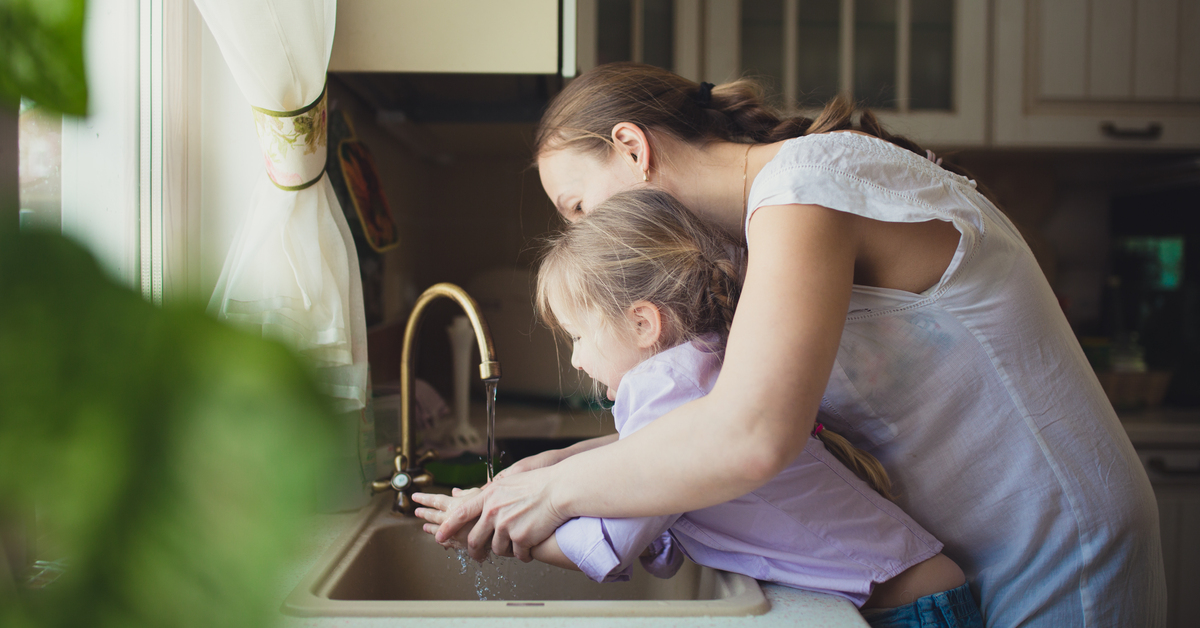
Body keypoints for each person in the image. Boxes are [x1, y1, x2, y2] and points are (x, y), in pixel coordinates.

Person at [419, 63, 1165, 627]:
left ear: (632, 148)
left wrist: (548, 493)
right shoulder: (756, 235)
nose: (587, 236)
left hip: (1059, 544)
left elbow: (748, 438)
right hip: (969, 551)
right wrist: (547, 466)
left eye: (579, 206)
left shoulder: (805, 189)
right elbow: (703, 418)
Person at [416, 189, 982, 627]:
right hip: (919, 591)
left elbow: (616, 540)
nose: (578, 359)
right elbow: (651, 490)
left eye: (578, 337)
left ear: (642, 323)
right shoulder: (704, 364)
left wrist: (494, 528)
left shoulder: (661, 391)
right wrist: (550, 467)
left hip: (907, 611)